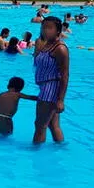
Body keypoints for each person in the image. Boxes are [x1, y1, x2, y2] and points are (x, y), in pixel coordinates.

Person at [33, 16, 69, 144]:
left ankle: (35, 155)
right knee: (52, 125)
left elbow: (65, 75)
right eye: (43, 27)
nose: (45, 30)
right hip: (45, 87)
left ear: (58, 31)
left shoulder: (60, 48)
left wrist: (60, 100)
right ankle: (60, 149)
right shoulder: (47, 44)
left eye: (49, 28)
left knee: (40, 125)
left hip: (50, 89)